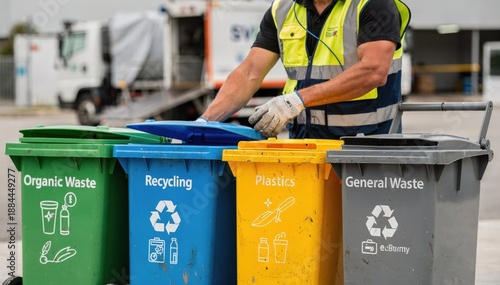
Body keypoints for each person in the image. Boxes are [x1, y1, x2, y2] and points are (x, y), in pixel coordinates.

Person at [199, 0, 411, 139]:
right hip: (304, 146)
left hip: (366, 147)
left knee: (358, 210)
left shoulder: (374, 4)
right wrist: (204, 123)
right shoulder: (283, 9)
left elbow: (373, 71)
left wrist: (296, 100)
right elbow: (250, 72)